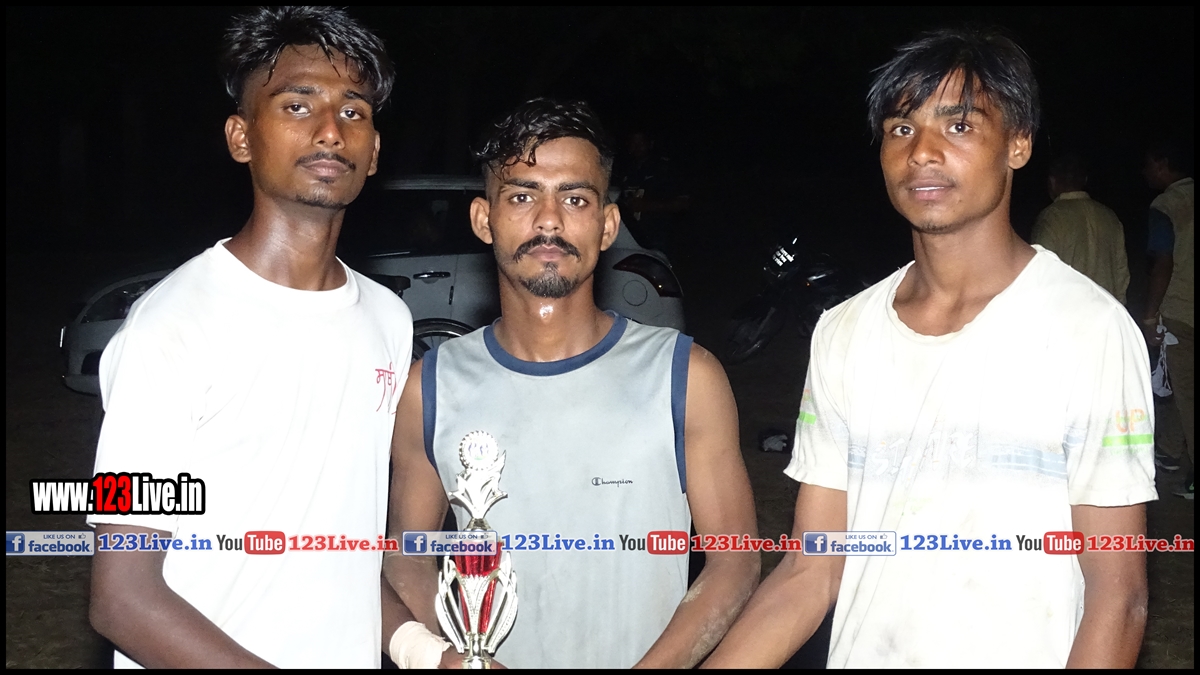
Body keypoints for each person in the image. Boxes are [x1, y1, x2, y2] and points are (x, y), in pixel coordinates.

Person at [705, 27, 1156, 668]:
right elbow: (811, 569)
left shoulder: (1089, 330)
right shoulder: (844, 331)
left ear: (1019, 143)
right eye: (901, 128)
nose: (921, 152)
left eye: (959, 126)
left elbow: (1117, 595)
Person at [87, 7, 416, 668]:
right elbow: (121, 597)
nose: (331, 130)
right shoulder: (167, 326)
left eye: (353, 111)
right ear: (241, 137)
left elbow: (338, 548)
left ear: (375, 151)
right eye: (297, 105)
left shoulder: (388, 319)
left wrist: (422, 649)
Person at [384, 99, 759, 669]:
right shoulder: (430, 387)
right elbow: (409, 557)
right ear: (483, 219)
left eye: (575, 198)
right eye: (522, 196)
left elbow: (734, 560)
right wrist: (451, 657)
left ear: (608, 225)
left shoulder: (685, 376)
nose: (549, 220)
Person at [1142, 138, 1194, 499]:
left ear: (1162, 164)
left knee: (1186, 392)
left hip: (1181, 311)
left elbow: (1163, 262)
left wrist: (1150, 316)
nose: (1145, 173)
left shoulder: (1166, 206)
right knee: (1177, 387)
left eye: (1148, 165)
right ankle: (1172, 452)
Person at [1031, 153, 1130, 303]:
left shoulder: (1051, 217)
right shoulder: (1109, 216)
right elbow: (1121, 274)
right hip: (1106, 310)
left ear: (1052, 181)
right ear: (1084, 180)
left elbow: (1040, 272)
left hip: (1068, 312)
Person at [613, 130, 690, 253]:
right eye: (633, 143)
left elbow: (683, 204)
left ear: (650, 143)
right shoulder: (624, 169)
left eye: (641, 142)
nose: (637, 147)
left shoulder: (665, 168)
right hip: (629, 238)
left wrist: (648, 205)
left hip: (659, 237)